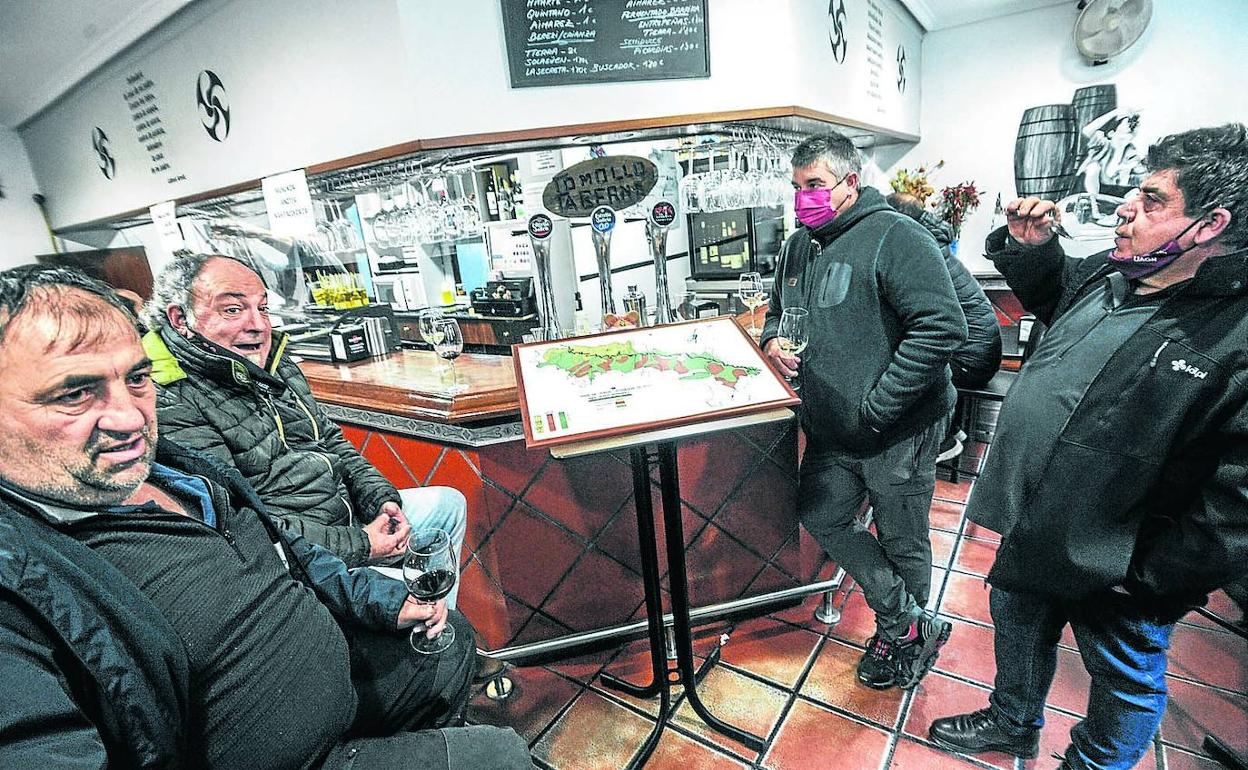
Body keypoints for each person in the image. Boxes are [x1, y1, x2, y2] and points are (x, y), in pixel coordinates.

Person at [0, 265, 534, 769]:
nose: (128, 416)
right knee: (500, 756)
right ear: (183, 321)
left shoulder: (176, 470)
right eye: (75, 392)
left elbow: (284, 544)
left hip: (337, 676)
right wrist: (362, 545)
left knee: (451, 639)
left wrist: (381, 595)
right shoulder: (20, 578)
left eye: (136, 379)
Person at [928, 123, 1248, 770]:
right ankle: (1013, 720)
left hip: (1119, 559)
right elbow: (1051, 292)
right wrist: (1032, 246)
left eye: (1154, 200)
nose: (1127, 206)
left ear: (1210, 224)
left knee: (1123, 680)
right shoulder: (1116, 268)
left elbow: (1237, 505)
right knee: (1016, 616)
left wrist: (1150, 580)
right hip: (1039, 516)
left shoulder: (1232, 335)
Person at [761, 133, 967, 690]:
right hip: (830, 427)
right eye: (797, 186)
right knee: (820, 515)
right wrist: (774, 341)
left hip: (898, 429)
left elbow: (943, 326)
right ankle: (907, 619)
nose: (804, 197)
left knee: (903, 538)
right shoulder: (798, 246)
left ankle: (899, 638)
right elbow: (780, 313)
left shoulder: (897, 236)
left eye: (815, 185)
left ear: (850, 183)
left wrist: (879, 406)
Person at [141, 253, 466, 580]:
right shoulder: (166, 394)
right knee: (419, 603)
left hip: (346, 519)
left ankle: (424, 623)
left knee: (446, 505)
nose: (258, 325)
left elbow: (332, 441)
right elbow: (242, 521)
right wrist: (361, 545)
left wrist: (381, 501)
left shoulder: (276, 363)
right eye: (233, 309)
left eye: (262, 307)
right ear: (181, 319)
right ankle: (418, 620)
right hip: (297, 562)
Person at [887, 192, 1003, 460]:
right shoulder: (933, 242)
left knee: (908, 365)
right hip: (983, 351)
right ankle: (951, 425)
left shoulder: (919, 251)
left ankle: (940, 439)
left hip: (971, 360)